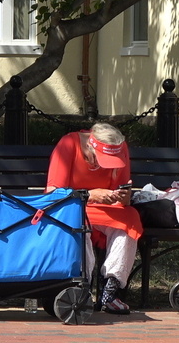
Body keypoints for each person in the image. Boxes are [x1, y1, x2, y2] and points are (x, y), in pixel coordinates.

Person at [45, 122, 142, 314]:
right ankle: (83, 286)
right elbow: (53, 193)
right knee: (79, 225)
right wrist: (89, 195)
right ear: (91, 146)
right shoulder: (69, 144)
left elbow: (123, 192)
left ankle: (111, 289)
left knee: (130, 219)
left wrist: (123, 196)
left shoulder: (120, 146)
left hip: (107, 209)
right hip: (73, 208)